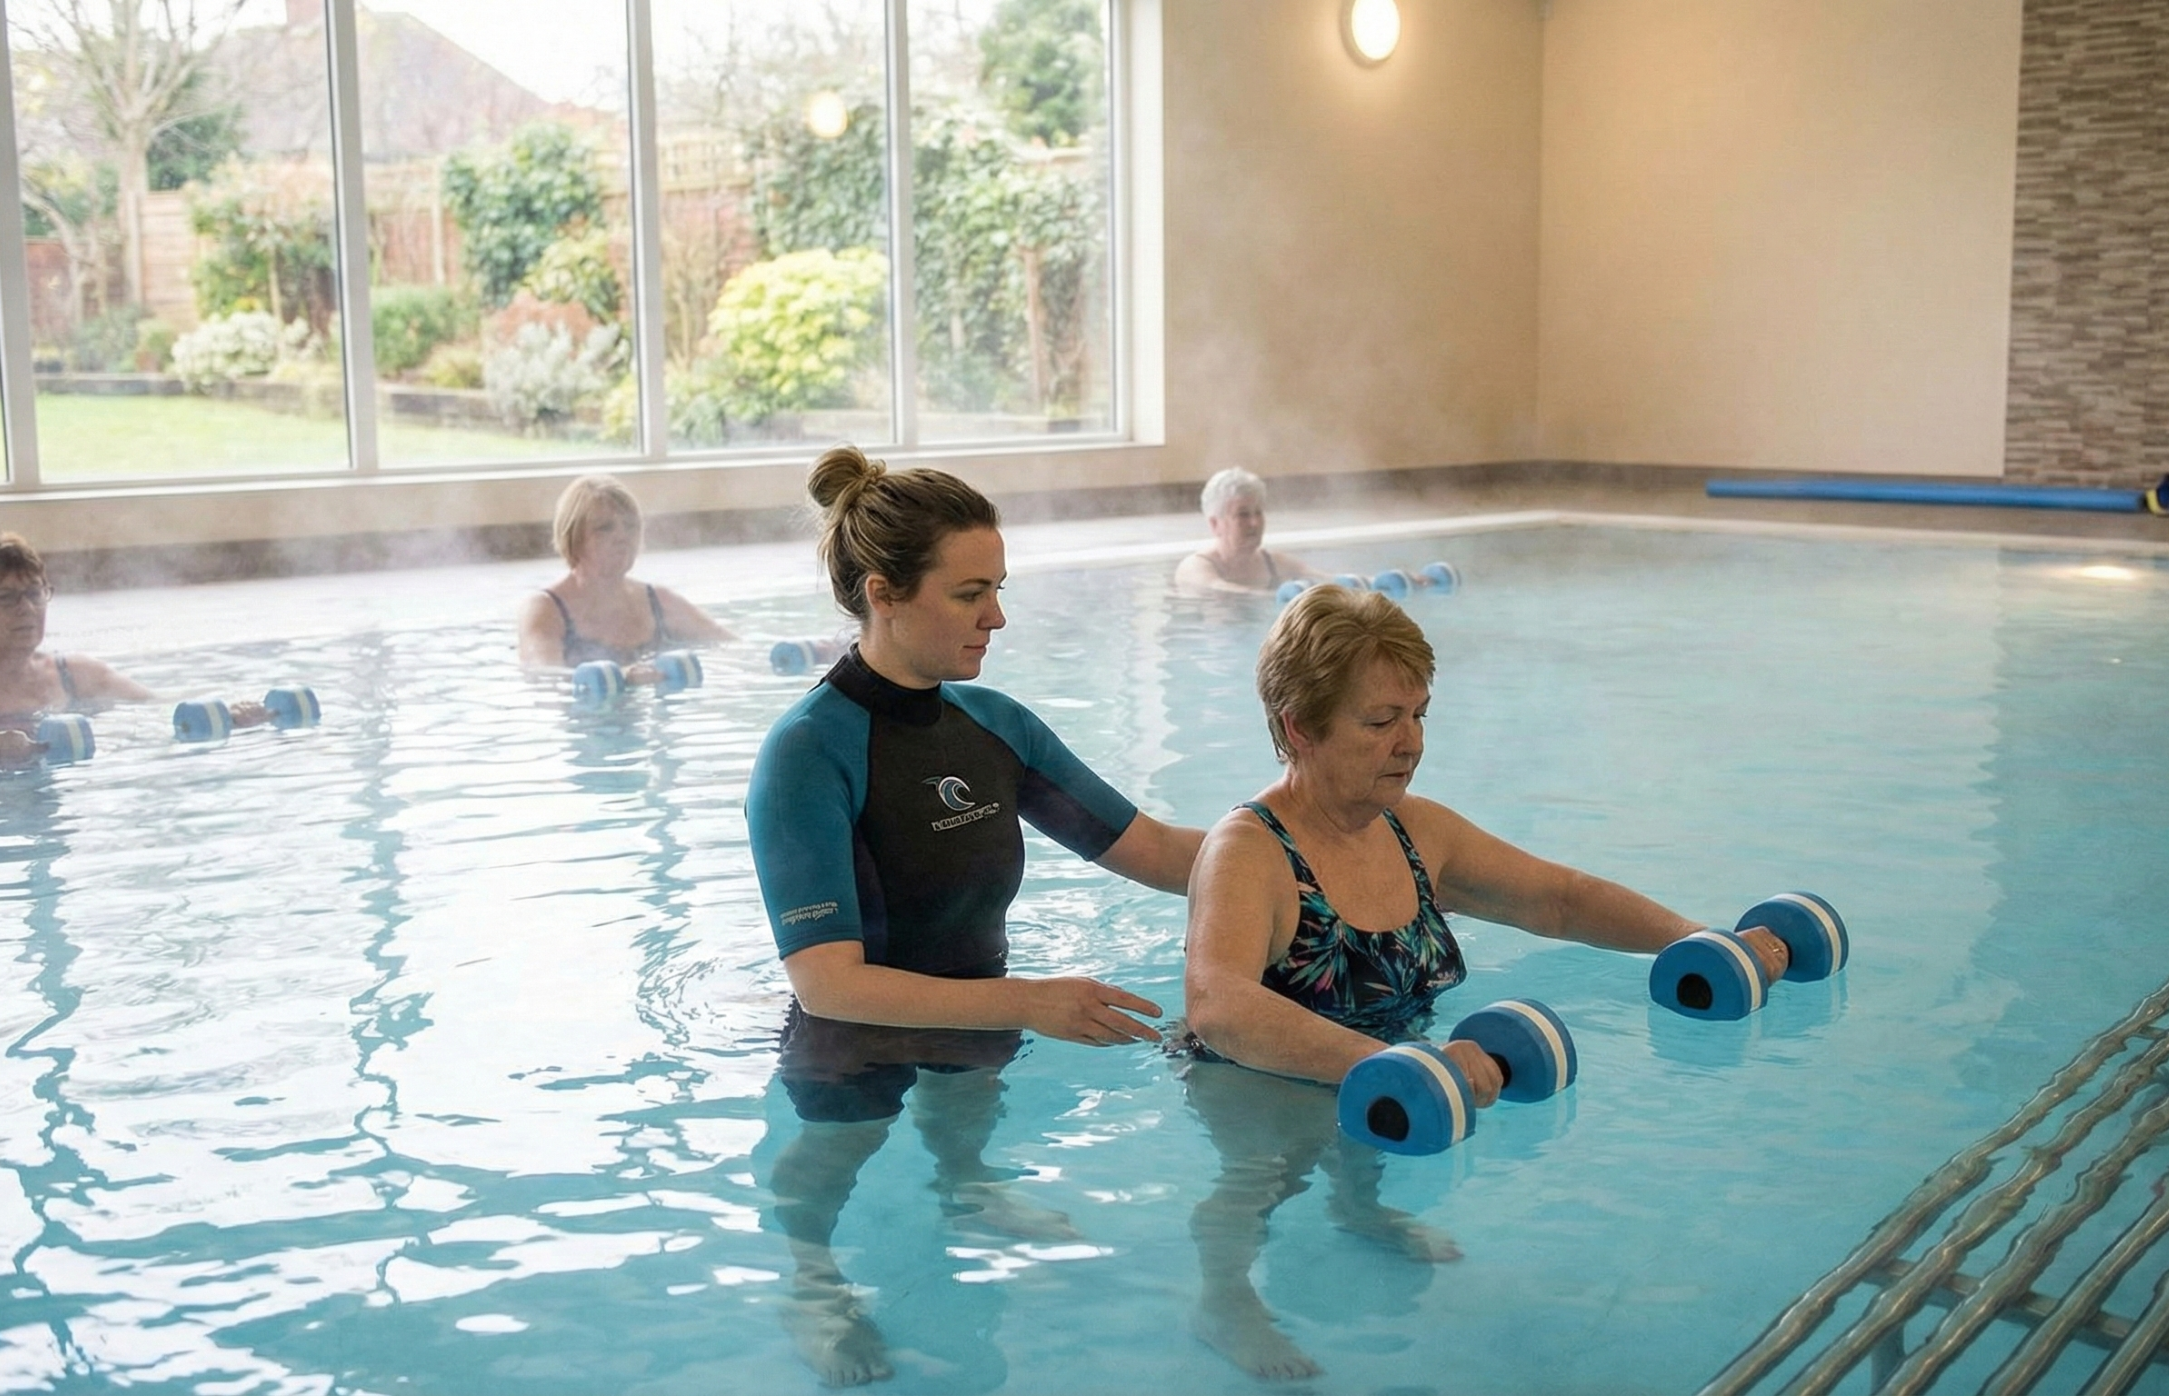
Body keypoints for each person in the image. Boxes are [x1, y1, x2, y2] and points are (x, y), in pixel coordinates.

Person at [1175, 584, 1780, 1379]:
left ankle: (1362, 1213)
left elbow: (1556, 899)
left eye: (1420, 713)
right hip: (1257, 1079)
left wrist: (1708, 940)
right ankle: (1222, 1301)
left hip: (1391, 1063)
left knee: (1358, 1154)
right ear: (1300, 727)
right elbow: (1217, 1005)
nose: (1411, 742)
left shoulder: (1412, 829)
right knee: (1262, 1181)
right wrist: (1394, 1066)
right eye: (1381, 720)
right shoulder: (1249, 851)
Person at [744, 444, 1206, 1385]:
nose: (998, 615)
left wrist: (1306, 857)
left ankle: (966, 1186)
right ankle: (806, 1278)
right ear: (883, 592)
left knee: (964, 1120)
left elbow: (1153, 850)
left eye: (997, 587)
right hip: (855, 1036)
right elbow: (828, 984)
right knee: (828, 1169)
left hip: (979, 1014)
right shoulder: (806, 754)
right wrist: (1030, 1004)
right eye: (969, 593)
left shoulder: (995, 726)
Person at [0, 532, 162, 768]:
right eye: (6, 597)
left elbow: (157, 709)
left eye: (35, 594)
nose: (27, 609)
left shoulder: (75, 673)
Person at [518, 474, 733, 681]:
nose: (622, 536)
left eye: (630, 526)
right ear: (574, 537)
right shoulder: (546, 609)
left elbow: (730, 645)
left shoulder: (658, 601)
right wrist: (615, 677)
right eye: (605, 528)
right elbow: (543, 676)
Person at [1173, 468, 1328, 595]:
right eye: (1243, 514)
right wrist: (1279, 596)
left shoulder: (1274, 562)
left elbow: (1326, 580)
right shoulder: (1196, 567)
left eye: (1258, 512)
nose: (1255, 523)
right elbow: (1219, 589)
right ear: (1215, 524)